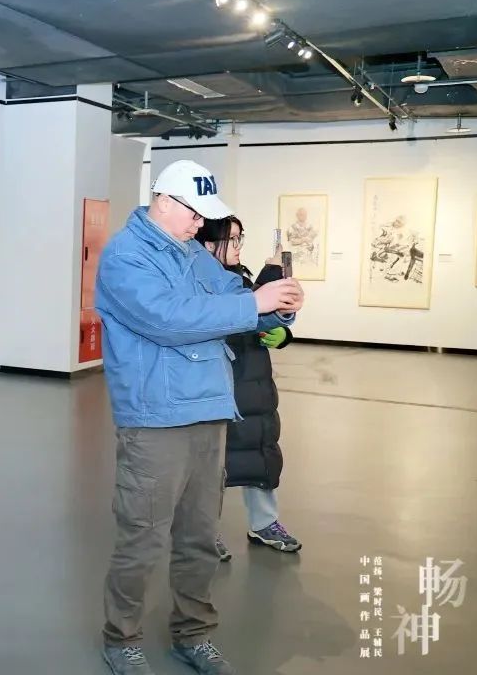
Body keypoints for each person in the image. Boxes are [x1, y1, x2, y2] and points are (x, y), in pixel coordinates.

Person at [95, 160, 304, 675]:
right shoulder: (125, 257)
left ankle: (193, 633)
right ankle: (121, 639)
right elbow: (168, 319)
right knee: (143, 538)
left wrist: (278, 305)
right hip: (155, 418)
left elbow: (233, 296)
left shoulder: (190, 252)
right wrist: (254, 303)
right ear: (164, 202)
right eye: (194, 213)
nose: (200, 224)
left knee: (199, 536)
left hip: (209, 408)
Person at [194, 217, 302, 559]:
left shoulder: (239, 277)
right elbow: (231, 316)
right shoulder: (197, 282)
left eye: (241, 238)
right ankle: (203, 531)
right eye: (232, 239)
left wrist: (282, 334)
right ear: (209, 244)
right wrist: (269, 279)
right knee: (212, 461)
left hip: (254, 379)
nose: (239, 245)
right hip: (218, 381)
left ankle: (264, 523)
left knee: (260, 448)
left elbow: (257, 315)